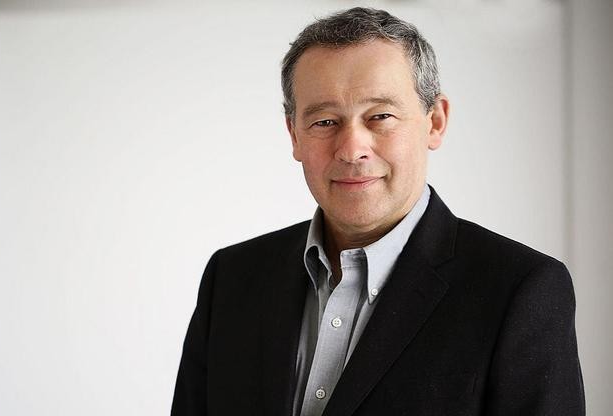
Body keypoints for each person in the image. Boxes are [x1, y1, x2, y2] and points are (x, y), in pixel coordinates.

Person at [171, 7, 585, 416]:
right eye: (325, 122)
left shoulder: (521, 290)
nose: (352, 150)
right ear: (294, 134)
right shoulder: (231, 278)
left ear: (435, 122)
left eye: (381, 116)